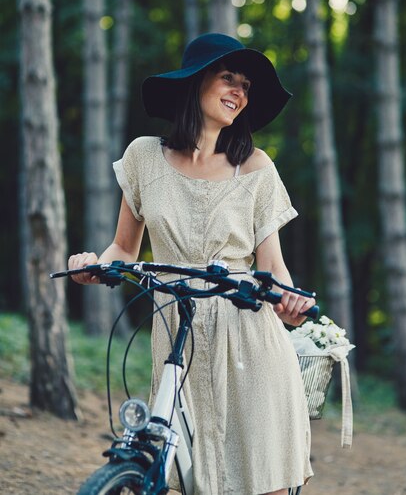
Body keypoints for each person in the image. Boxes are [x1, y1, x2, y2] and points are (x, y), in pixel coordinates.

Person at [69, 32, 315, 495]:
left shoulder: (257, 167)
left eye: (246, 85)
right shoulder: (145, 156)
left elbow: (273, 264)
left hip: (248, 335)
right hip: (176, 330)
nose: (240, 92)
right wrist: (94, 265)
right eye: (228, 78)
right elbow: (124, 248)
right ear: (195, 84)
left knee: (262, 474)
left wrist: (288, 298)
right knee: (185, 472)